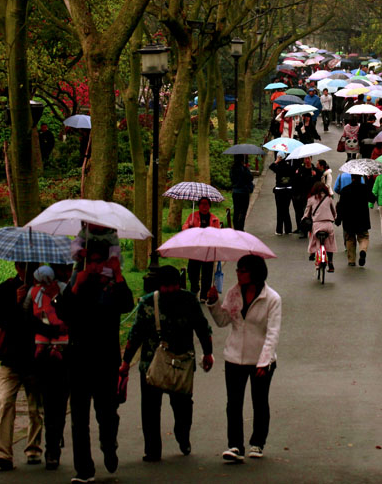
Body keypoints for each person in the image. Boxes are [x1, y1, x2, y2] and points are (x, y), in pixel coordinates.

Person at [54, 243, 134, 483]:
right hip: (78, 361)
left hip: (106, 361)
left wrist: (118, 274)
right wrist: (76, 285)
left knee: (106, 413)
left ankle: (109, 445)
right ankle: (84, 469)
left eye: (100, 261)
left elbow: (127, 304)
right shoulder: (77, 287)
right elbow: (62, 312)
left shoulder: (112, 287)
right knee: (79, 418)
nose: (96, 267)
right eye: (92, 262)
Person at [120, 265, 214, 462]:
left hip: (181, 362)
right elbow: (135, 335)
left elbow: (202, 328)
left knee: (183, 406)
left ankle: (182, 434)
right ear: (159, 286)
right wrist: (126, 362)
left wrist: (208, 353)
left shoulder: (189, 300)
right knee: (150, 408)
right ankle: (152, 449)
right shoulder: (147, 303)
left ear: (179, 284)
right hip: (151, 363)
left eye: (173, 285)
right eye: (166, 286)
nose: (170, 289)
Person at [206, 255, 282, 463]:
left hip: (261, 359)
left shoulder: (272, 299)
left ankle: (258, 442)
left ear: (255, 273)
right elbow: (223, 320)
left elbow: (272, 333)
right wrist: (213, 302)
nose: (238, 274)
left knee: (259, 401)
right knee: (233, 402)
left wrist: (264, 362)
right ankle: (235, 445)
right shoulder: (233, 293)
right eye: (237, 270)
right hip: (234, 357)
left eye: (243, 270)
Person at [0, 262, 43, 471]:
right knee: (5, 404)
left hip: (34, 358)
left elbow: (45, 321)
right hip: (10, 358)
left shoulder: (42, 290)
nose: (26, 270)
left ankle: (33, 448)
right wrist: (17, 303)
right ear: (17, 267)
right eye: (23, 266)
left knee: (35, 408)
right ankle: (2, 453)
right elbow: (2, 321)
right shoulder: (6, 288)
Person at [29, 266, 69, 471]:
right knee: (50, 403)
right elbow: (29, 319)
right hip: (45, 353)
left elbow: (70, 318)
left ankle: (53, 443)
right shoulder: (33, 294)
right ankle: (52, 444)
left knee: (58, 403)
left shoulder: (65, 291)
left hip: (61, 352)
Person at [182, 197, 221, 301]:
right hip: (195, 249)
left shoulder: (214, 219)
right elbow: (184, 228)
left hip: (208, 249)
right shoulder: (192, 216)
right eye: (202, 204)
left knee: (207, 274)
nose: (204, 206)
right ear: (198, 206)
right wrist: (189, 227)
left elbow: (218, 234)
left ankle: (204, 295)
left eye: (206, 204)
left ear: (209, 206)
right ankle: (194, 289)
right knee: (192, 272)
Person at [335, 174, 376, 267]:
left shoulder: (345, 190)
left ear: (352, 178)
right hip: (362, 219)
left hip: (348, 220)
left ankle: (351, 260)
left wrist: (338, 219)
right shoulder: (364, 188)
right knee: (364, 237)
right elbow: (372, 199)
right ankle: (362, 250)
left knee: (350, 239)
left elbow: (341, 206)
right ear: (360, 177)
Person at [303, 182, 337, 271]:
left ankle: (314, 256)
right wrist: (333, 218)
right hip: (328, 224)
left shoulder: (311, 199)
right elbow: (334, 212)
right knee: (330, 242)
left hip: (317, 225)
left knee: (315, 239)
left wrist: (305, 219)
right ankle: (330, 262)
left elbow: (306, 214)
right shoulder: (329, 198)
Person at [291, 157, 319, 237]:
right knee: (298, 212)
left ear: (311, 159)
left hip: (310, 195)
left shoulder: (314, 170)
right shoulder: (300, 169)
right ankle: (299, 227)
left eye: (308, 159)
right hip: (299, 194)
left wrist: (314, 176)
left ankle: (306, 230)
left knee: (306, 213)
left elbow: (318, 182)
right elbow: (295, 181)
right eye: (305, 159)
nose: (307, 160)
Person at [269, 153, 294, 235]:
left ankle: (279, 230)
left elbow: (271, 166)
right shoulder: (289, 166)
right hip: (288, 189)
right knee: (286, 209)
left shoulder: (277, 167)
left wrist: (276, 161)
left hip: (279, 190)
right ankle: (288, 229)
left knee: (280, 209)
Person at [230, 156, 254, 231]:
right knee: (243, 211)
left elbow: (232, 179)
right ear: (242, 160)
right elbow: (250, 178)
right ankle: (241, 228)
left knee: (236, 211)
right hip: (244, 192)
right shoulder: (244, 169)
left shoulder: (232, 169)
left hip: (235, 192)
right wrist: (246, 169)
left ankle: (236, 228)